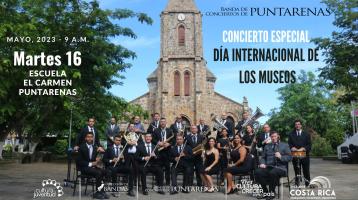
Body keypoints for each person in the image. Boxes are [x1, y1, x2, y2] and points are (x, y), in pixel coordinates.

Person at [255, 131, 292, 200]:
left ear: (278, 136)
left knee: (273, 172)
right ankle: (265, 192)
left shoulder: (284, 145)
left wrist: (281, 157)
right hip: (269, 167)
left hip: (281, 168)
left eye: (275, 136)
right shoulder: (267, 146)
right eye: (272, 137)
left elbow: (290, 157)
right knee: (258, 172)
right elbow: (263, 157)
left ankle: (271, 192)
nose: (273, 138)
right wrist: (262, 163)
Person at [76, 132, 108, 199]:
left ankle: (102, 191)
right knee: (98, 172)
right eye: (88, 137)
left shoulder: (94, 147)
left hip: (92, 168)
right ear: (85, 138)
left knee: (105, 171)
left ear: (93, 138)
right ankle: (97, 193)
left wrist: (99, 156)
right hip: (83, 167)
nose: (90, 138)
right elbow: (79, 161)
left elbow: (98, 157)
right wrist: (91, 164)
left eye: (91, 137)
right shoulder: (81, 147)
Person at [288, 119, 311, 186]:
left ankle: (308, 183)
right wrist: (292, 147)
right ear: (295, 126)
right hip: (295, 154)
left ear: (301, 125)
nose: (297, 125)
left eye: (298, 124)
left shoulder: (306, 134)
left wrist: (303, 148)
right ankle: (297, 183)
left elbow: (309, 145)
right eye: (296, 124)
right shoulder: (291, 134)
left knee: (306, 170)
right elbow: (289, 143)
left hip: (305, 155)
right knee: (296, 169)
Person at [153, 118, 175, 185]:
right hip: (159, 152)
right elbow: (153, 139)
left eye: (164, 122)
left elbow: (173, 140)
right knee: (159, 168)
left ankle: (168, 182)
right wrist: (158, 143)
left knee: (167, 167)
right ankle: (159, 182)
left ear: (166, 122)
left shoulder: (170, 130)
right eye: (161, 122)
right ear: (160, 123)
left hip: (167, 151)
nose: (162, 123)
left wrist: (169, 144)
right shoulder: (156, 130)